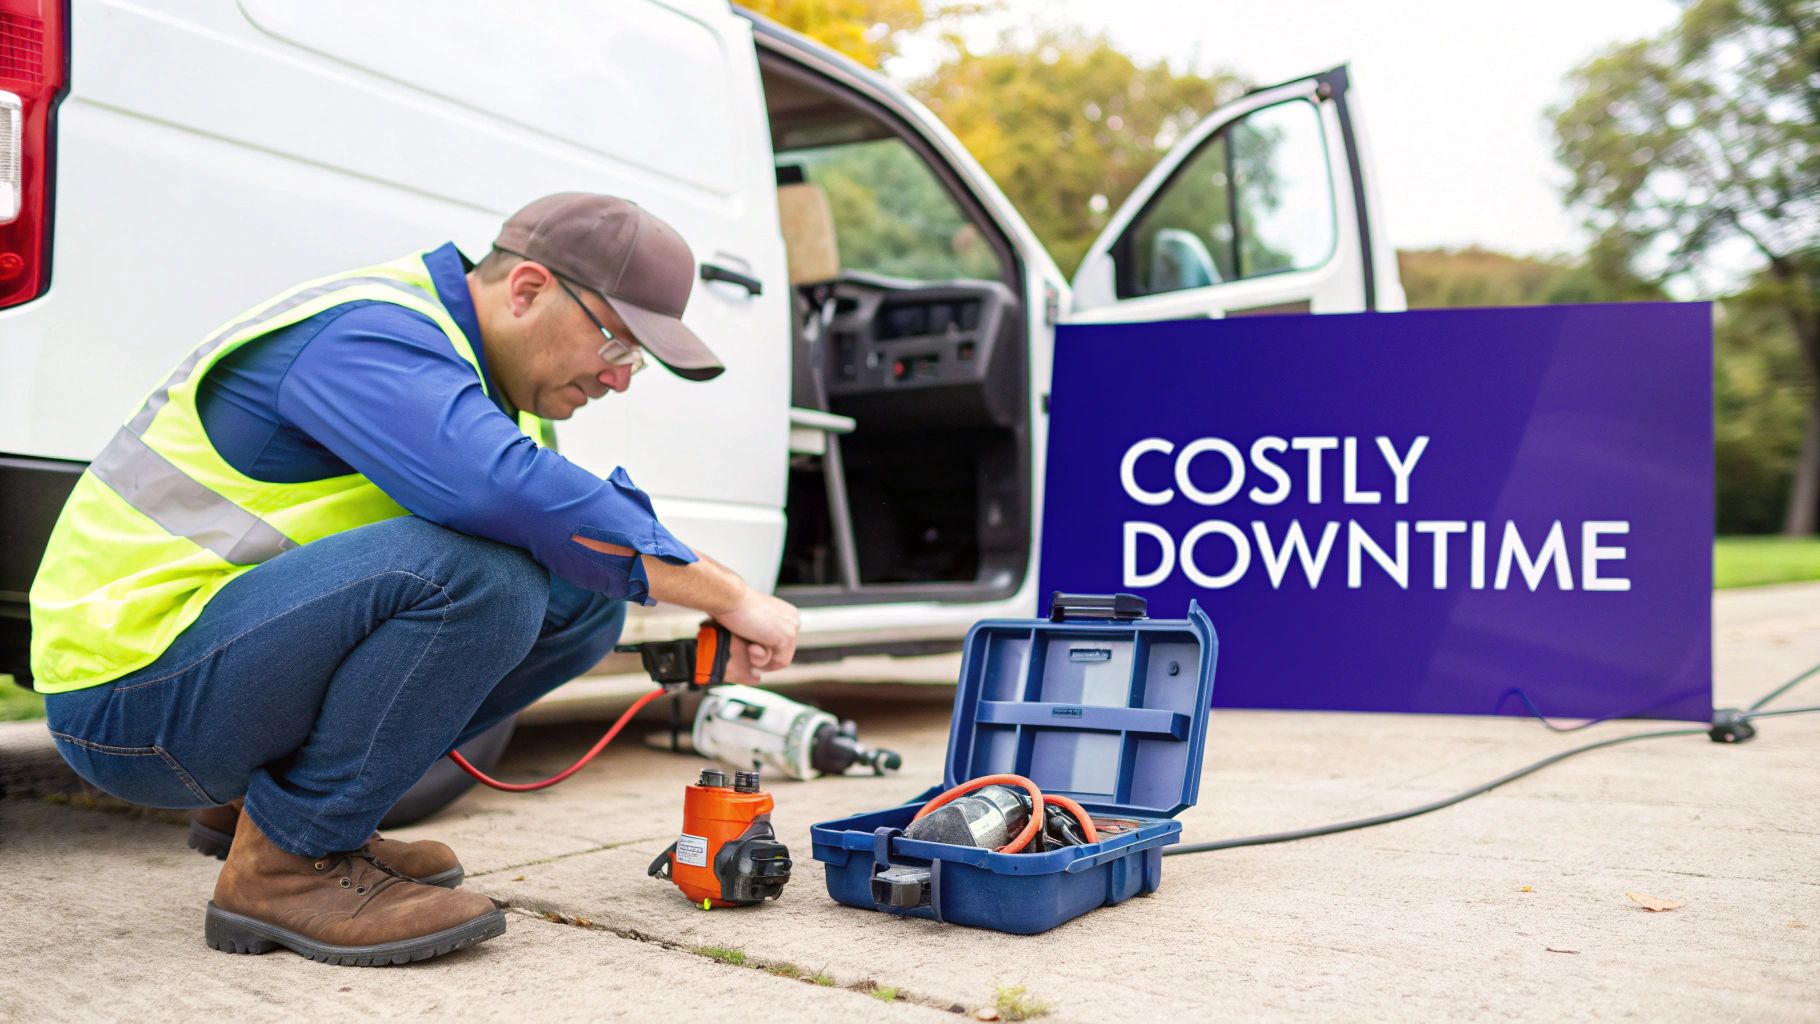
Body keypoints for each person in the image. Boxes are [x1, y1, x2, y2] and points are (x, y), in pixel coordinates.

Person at [28, 193, 800, 966]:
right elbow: (509, 495)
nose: (621, 379)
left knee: (580, 595)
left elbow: (573, 521)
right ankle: (286, 868)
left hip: (212, 671)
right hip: (129, 696)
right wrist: (735, 597)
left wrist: (702, 603)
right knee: (485, 575)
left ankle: (276, 815)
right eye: (618, 344)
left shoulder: (493, 388)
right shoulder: (370, 333)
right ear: (528, 289)